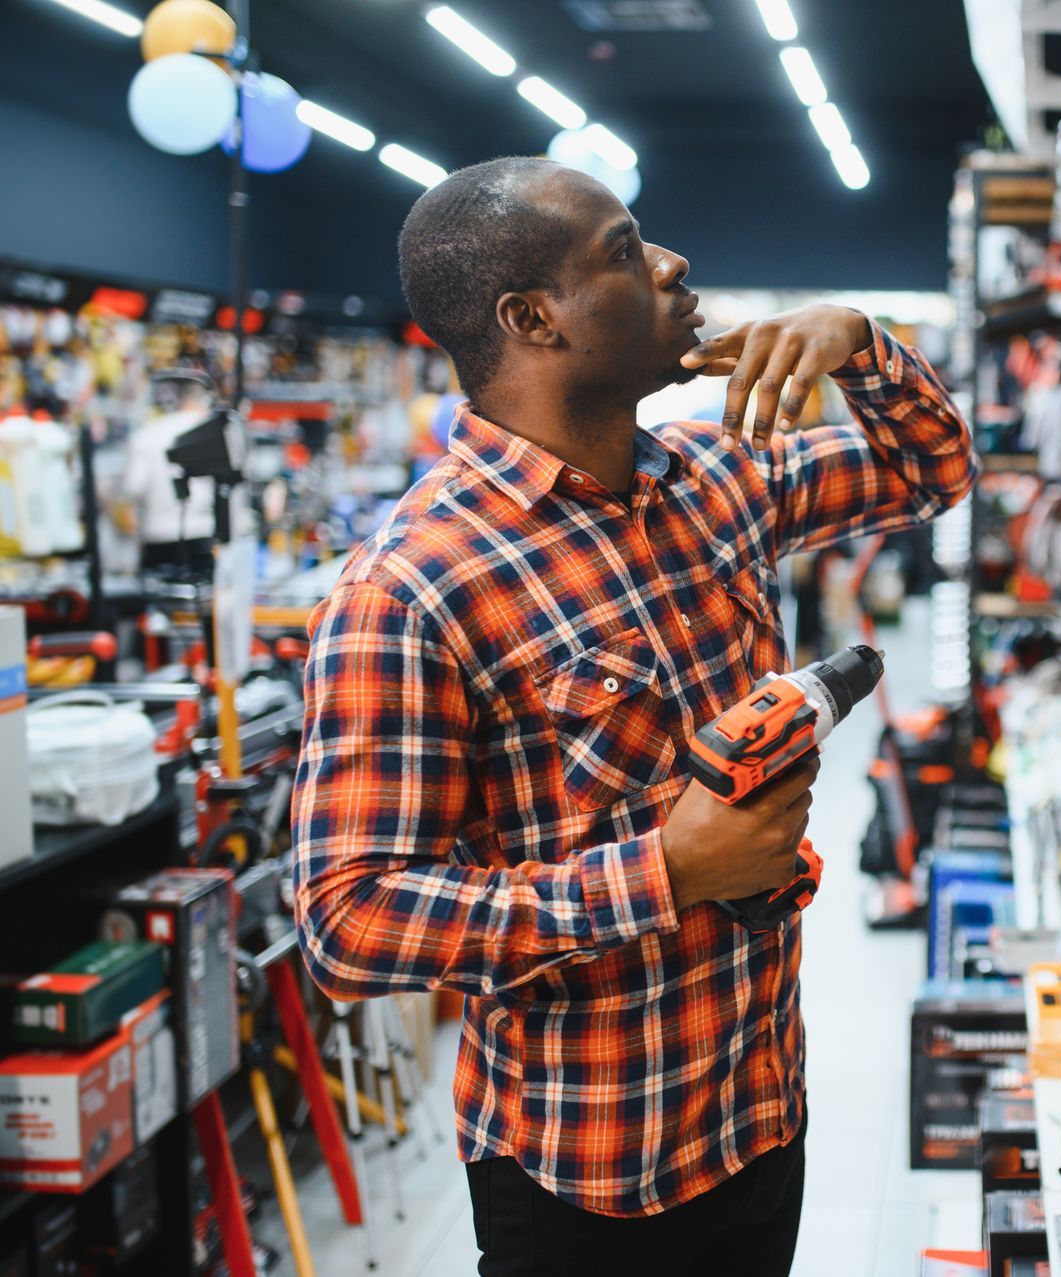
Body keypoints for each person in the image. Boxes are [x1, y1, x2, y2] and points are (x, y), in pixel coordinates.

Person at [290, 157, 976, 1275]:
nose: (671, 264)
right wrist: (666, 872)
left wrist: (862, 341)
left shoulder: (714, 478)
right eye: (622, 250)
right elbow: (348, 918)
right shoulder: (413, 589)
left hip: (760, 1108)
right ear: (531, 320)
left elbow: (931, 467)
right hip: (588, 1174)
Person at [119, 374, 239, 576]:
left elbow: (133, 488)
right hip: (206, 536)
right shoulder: (223, 433)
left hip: (158, 537)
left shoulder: (148, 434)